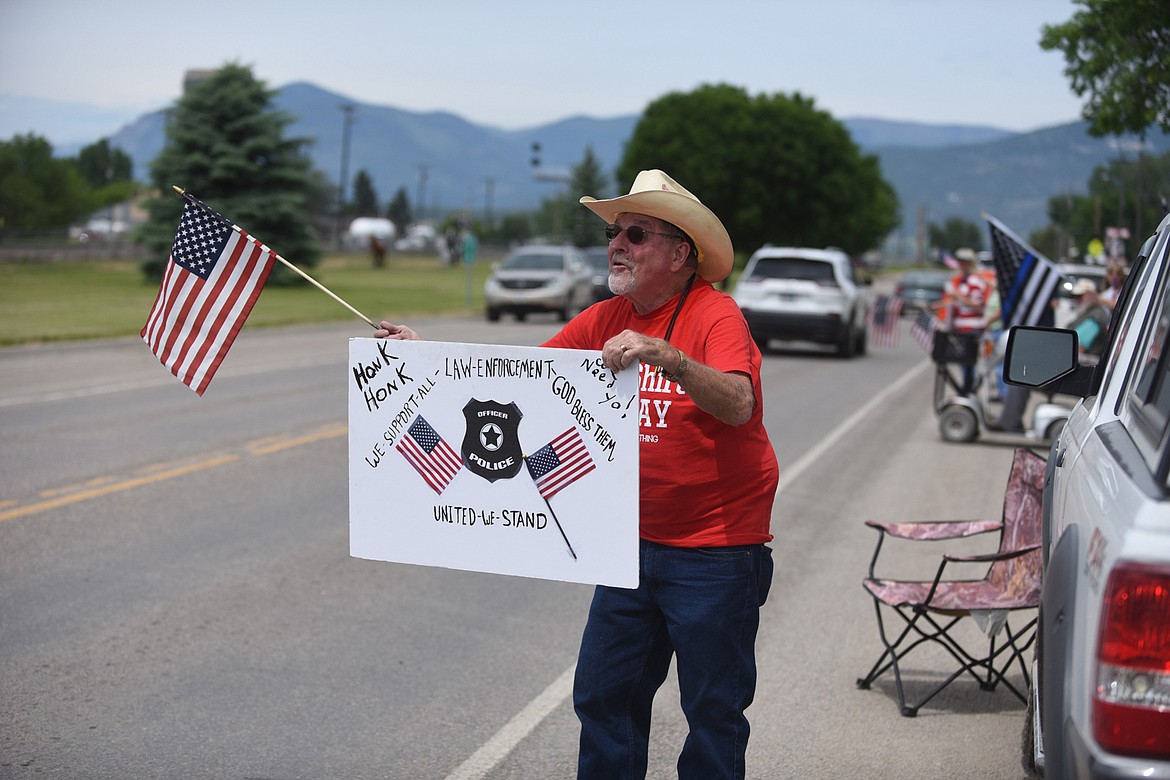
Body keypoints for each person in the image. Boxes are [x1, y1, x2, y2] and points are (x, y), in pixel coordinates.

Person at [376, 169, 779, 780]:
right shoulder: (603, 317)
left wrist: (669, 359)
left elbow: (739, 403)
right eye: (615, 232)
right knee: (603, 695)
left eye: (635, 234)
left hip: (714, 550)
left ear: (679, 254)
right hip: (626, 548)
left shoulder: (715, 315)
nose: (616, 244)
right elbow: (516, 385)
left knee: (712, 710)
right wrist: (419, 354)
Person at [944, 248, 989, 395]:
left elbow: (979, 304)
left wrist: (959, 298)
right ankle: (966, 389)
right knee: (963, 362)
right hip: (961, 327)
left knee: (969, 362)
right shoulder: (959, 281)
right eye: (960, 262)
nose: (962, 265)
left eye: (965, 262)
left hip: (972, 327)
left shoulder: (975, 281)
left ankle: (969, 389)